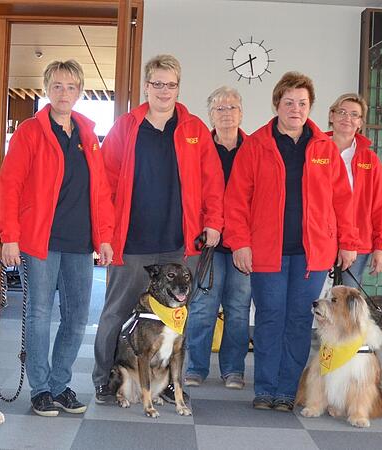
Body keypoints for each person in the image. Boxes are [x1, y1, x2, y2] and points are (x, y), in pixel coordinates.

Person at [93, 54, 225, 404]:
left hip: (180, 245)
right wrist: (104, 235)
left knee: (177, 319)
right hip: (132, 244)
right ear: (146, 86)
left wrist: (213, 221)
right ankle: (104, 379)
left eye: (171, 84)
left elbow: (213, 182)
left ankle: (168, 383)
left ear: (178, 87)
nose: (164, 91)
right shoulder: (126, 126)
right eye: (157, 84)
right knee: (117, 314)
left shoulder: (194, 129)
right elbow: (104, 184)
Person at [224, 71, 359, 412]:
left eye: (302, 103)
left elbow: (343, 200)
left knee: (299, 320)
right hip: (267, 251)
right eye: (289, 102)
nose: (295, 109)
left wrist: (348, 242)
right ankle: (266, 388)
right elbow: (237, 199)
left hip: (311, 254)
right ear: (276, 105)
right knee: (270, 318)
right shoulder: (256, 146)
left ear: (310, 107)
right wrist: (240, 242)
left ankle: (287, 391)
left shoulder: (325, 148)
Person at [0, 60, 114, 417]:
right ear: (47, 90)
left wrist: (104, 237)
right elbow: (10, 186)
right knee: (40, 314)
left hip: (80, 242)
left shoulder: (89, 135)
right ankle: (41, 389)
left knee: (77, 317)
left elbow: (102, 191)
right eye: (58, 86)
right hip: (39, 240)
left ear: (80, 91)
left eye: (71, 86)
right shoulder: (30, 131)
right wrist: (9, 236)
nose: (65, 93)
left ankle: (61, 386)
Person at [184, 86, 251, 390]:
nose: (227, 114)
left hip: (242, 244)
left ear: (242, 113)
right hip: (207, 242)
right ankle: (196, 367)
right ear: (210, 114)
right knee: (203, 306)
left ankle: (233, 369)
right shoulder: (198, 147)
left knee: (238, 308)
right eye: (220, 109)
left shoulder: (254, 149)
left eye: (232, 107)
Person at [327, 93, 382, 286]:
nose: (347, 118)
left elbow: (380, 205)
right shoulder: (314, 150)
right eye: (342, 112)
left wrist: (380, 247)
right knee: (315, 303)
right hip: (320, 240)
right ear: (331, 116)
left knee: (348, 308)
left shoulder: (370, 161)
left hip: (358, 244)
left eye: (354, 115)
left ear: (360, 123)